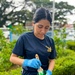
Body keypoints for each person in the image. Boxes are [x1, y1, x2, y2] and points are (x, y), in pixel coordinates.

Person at [10, 7, 57, 75]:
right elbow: (12, 58)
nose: (43, 31)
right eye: (40, 26)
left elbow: (52, 59)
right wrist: (27, 62)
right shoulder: (24, 38)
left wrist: (49, 71)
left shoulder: (50, 41)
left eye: (47, 28)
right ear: (33, 23)